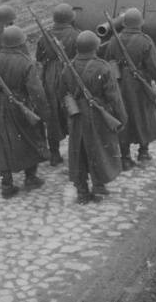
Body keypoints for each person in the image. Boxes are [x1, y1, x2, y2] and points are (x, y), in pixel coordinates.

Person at [60, 31, 127, 204]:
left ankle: (82, 191)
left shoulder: (68, 67)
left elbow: (62, 95)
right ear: (95, 46)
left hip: (76, 117)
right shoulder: (103, 67)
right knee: (99, 149)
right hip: (97, 116)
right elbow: (115, 98)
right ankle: (98, 186)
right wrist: (121, 118)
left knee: (78, 152)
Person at [0, 25, 49, 198]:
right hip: (21, 107)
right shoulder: (25, 62)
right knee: (31, 138)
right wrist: (44, 114)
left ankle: (6, 185)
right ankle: (30, 177)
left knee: (2, 143)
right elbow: (37, 92)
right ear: (20, 42)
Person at [105, 8, 156, 170]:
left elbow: (107, 64)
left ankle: (125, 157)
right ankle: (143, 152)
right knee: (143, 115)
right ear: (140, 23)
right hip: (140, 85)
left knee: (122, 116)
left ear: (124, 24)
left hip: (119, 86)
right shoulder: (146, 41)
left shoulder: (113, 40)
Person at [36, 3, 80, 166]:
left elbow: (39, 58)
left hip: (49, 78)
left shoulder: (44, 36)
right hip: (70, 77)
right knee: (74, 112)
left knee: (52, 115)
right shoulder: (77, 35)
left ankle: (54, 154)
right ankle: (76, 153)